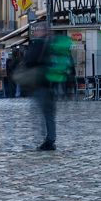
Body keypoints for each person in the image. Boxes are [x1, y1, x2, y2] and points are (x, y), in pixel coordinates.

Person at [23, 22, 71, 151]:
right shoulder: (53, 46)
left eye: (37, 30)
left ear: (41, 31)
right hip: (53, 83)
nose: (35, 32)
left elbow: (28, 61)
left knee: (40, 114)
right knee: (49, 114)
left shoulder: (39, 44)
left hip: (40, 84)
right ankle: (50, 139)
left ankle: (47, 140)